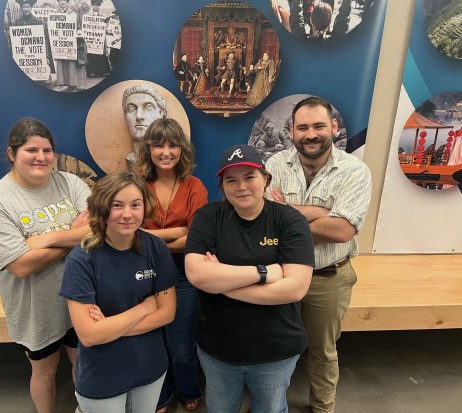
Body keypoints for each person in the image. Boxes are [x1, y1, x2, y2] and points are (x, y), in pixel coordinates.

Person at [185, 144, 315, 413]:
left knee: (270, 409)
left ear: (266, 179)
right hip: (217, 349)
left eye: (250, 177)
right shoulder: (208, 217)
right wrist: (265, 272)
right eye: (231, 180)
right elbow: (197, 273)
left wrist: (221, 283)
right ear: (221, 186)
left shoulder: (289, 220)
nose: (241, 186)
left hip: (274, 350)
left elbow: (295, 288)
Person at [0, 118, 91, 413]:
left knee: (85, 364)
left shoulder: (70, 182)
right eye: (31, 150)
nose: (41, 157)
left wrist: (44, 239)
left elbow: (94, 231)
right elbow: (21, 266)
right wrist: (72, 235)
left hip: (80, 296)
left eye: (47, 150)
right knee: (45, 371)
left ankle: (88, 408)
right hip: (35, 308)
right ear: (12, 154)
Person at [265, 96, 372, 413]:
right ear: (291, 131)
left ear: (334, 127)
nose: (311, 134)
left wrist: (289, 214)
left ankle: (323, 408)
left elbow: (342, 231)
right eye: (303, 127)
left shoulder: (355, 171)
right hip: (281, 275)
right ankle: (269, 405)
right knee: (274, 347)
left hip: (328, 277)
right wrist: (321, 212)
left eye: (319, 126)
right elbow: (265, 218)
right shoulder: (275, 166)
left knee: (322, 352)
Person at [59, 171, 177, 413]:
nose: (127, 214)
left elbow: (167, 313)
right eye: (117, 205)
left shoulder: (155, 248)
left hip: (150, 369)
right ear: (102, 208)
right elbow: (89, 336)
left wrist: (108, 328)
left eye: (135, 205)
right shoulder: (82, 259)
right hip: (102, 376)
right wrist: (144, 307)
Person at [135, 118, 207, 412]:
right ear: (148, 149)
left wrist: (148, 237)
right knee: (153, 343)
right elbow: (128, 234)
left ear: (182, 149)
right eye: (158, 144)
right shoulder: (137, 185)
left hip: (183, 274)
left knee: (181, 346)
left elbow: (195, 241)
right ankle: (161, 396)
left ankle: (188, 387)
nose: (166, 151)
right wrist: (175, 232)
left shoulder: (194, 186)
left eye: (173, 144)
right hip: (143, 274)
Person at [122, 84, 167, 169]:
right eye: (131, 109)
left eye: (148, 107)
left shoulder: (167, 159)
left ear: (162, 114)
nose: (139, 116)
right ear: (125, 116)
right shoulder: (130, 159)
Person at [53, 0, 88, 91]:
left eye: (64, 0)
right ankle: (64, 82)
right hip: (60, 42)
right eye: (60, 0)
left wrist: (79, 31)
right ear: (58, 2)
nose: (62, 2)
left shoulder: (74, 14)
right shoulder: (54, 14)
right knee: (62, 62)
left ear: (67, 1)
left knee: (71, 63)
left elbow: (79, 26)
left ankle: (73, 83)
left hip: (71, 42)